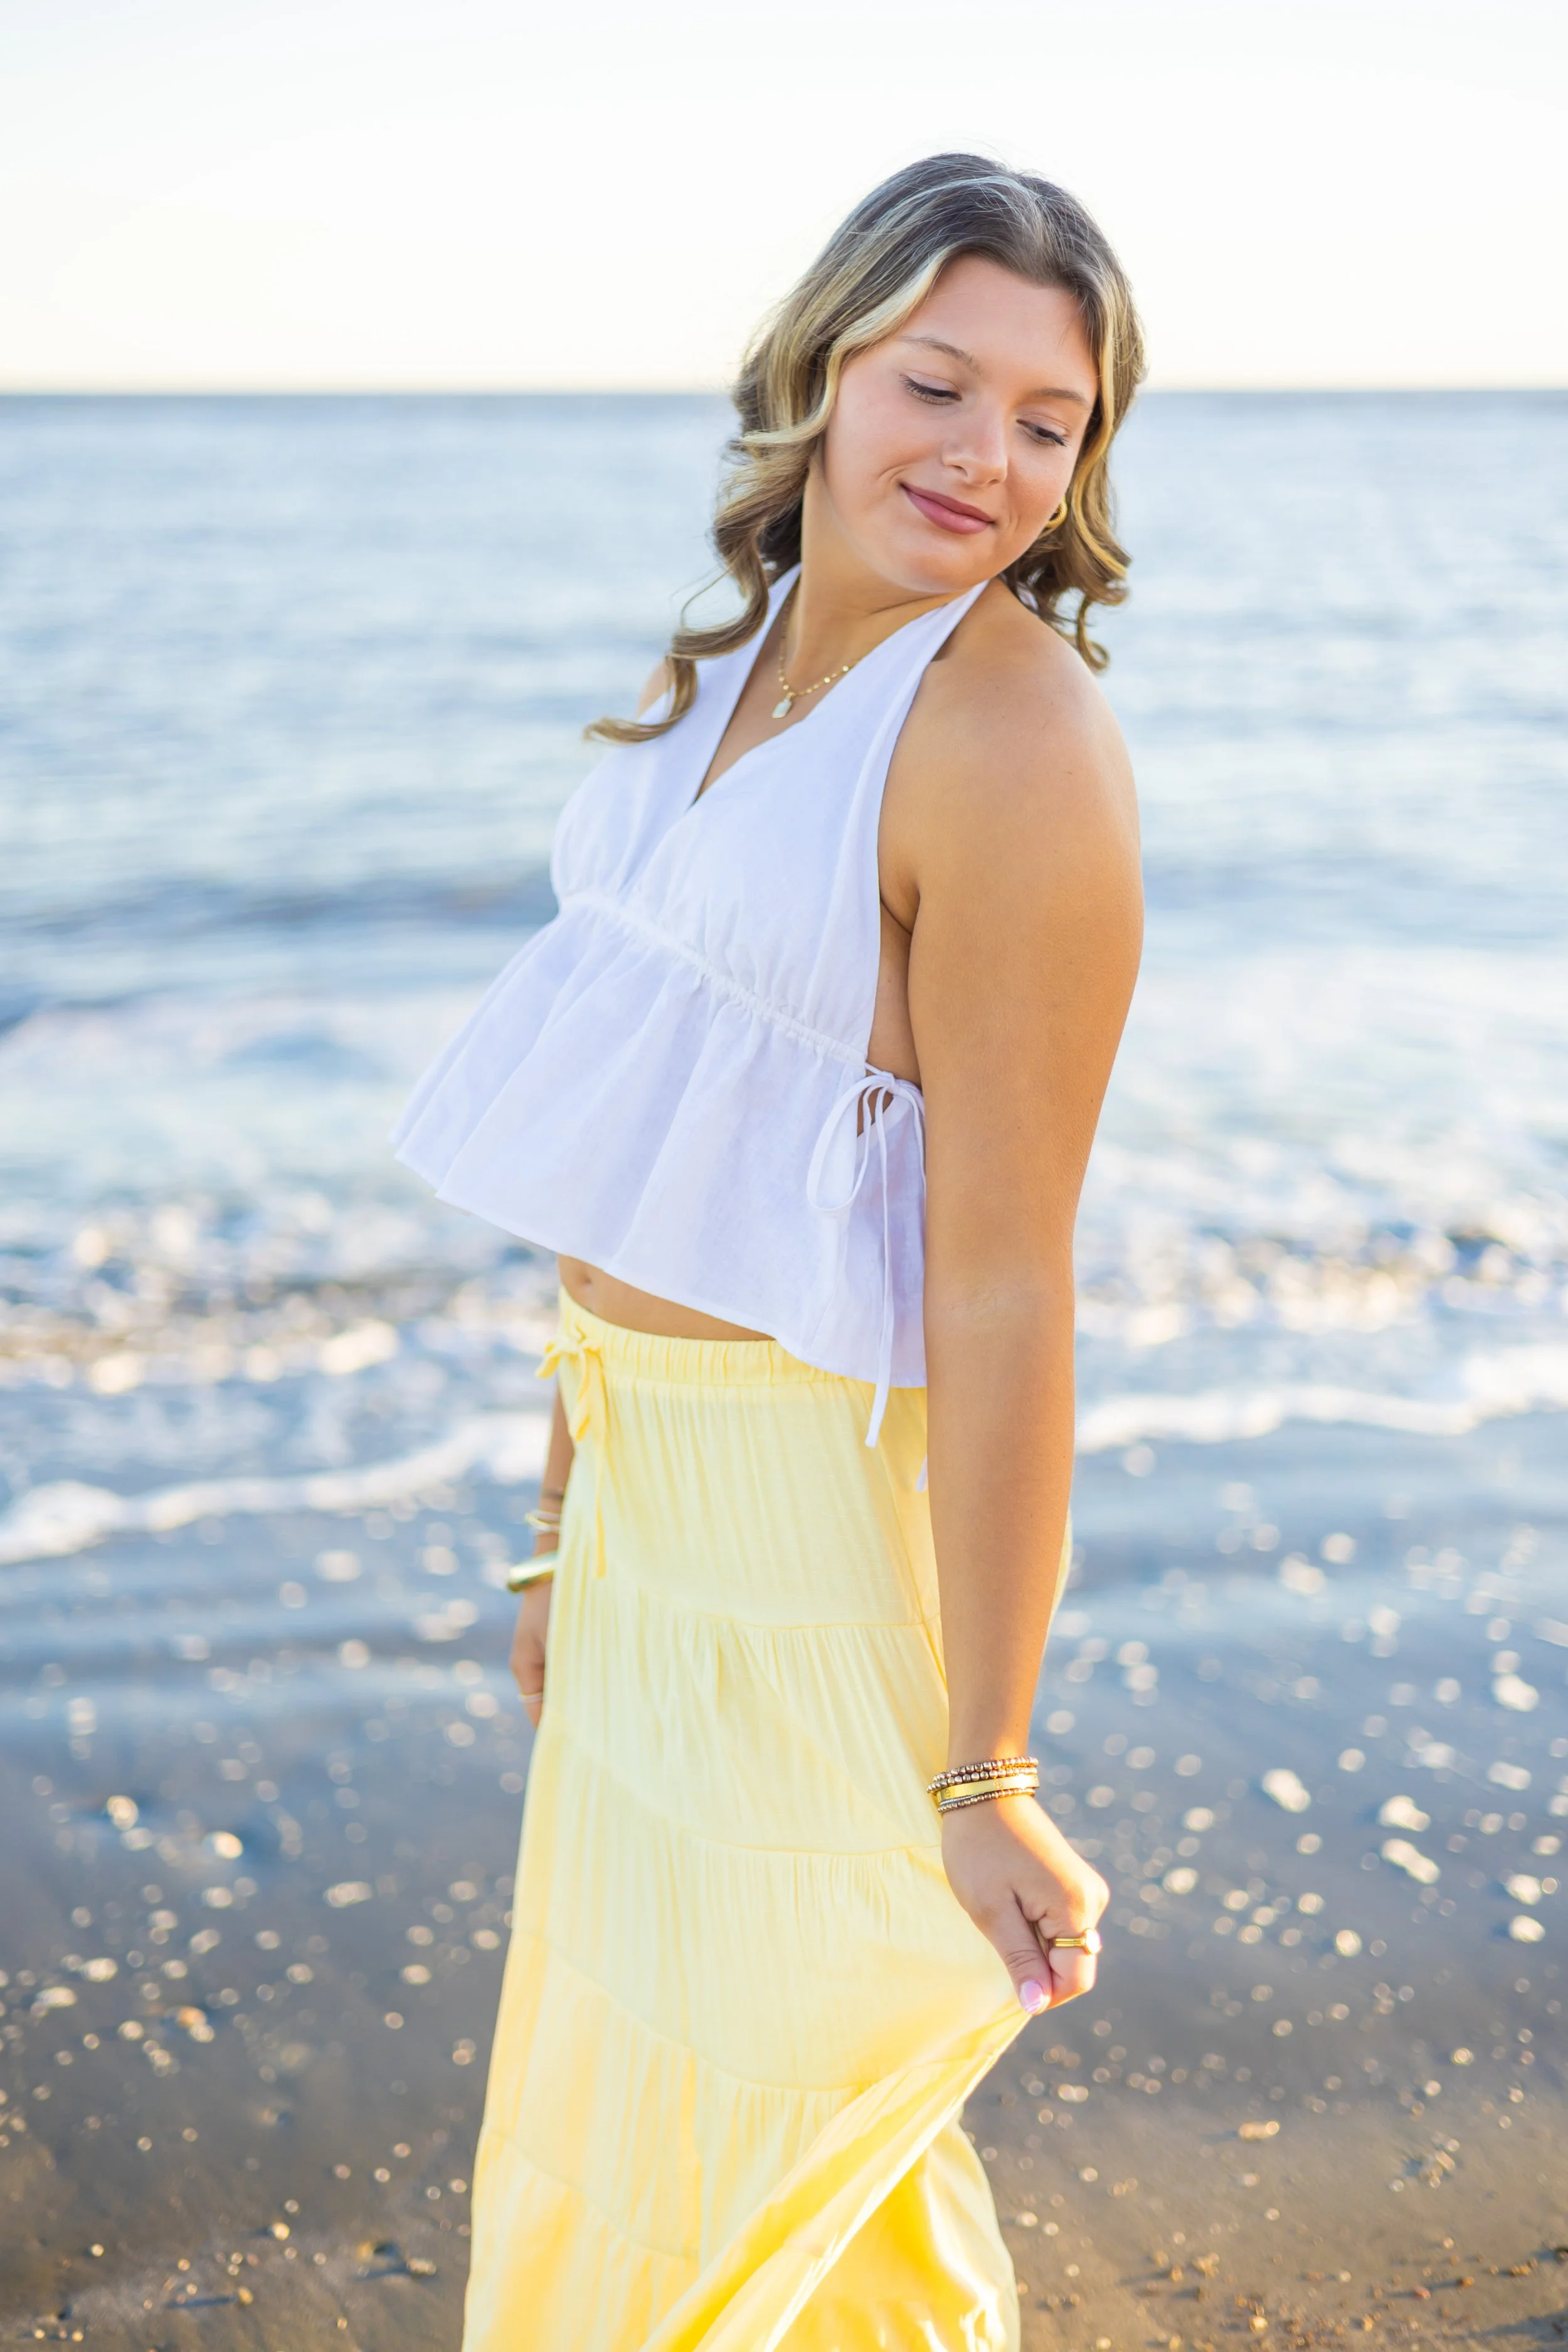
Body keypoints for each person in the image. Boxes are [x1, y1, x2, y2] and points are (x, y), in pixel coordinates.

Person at [391, 151, 1145, 2352]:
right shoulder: (731, 668)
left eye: (1050, 420)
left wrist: (988, 1767)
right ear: (820, 369)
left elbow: (1004, 1281)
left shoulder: (1009, 742)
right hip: (644, 1505)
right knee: (656, 2099)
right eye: (937, 383)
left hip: (814, 1529)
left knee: (790, 2130)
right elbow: (636, 1153)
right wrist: (560, 1524)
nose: (986, 455)